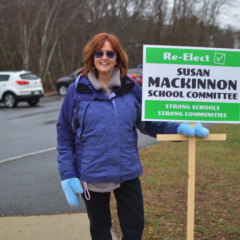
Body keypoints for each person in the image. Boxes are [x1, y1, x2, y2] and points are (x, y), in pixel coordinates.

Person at [56, 32, 209, 240]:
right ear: (92, 56)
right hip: (92, 173)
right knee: (100, 231)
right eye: (99, 52)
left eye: (110, 53)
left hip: (127, 172)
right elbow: (64, 133)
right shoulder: (77, 91)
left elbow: (148, 123)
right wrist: (67, 174)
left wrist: (179, 128)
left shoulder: (130, 88)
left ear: (117, 57)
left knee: (134, 228)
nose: (104, 57)